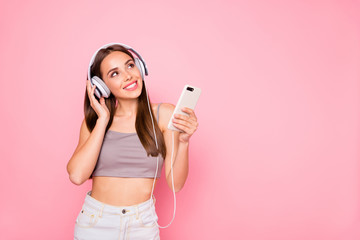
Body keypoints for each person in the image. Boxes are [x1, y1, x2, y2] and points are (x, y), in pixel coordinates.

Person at [66, 43, 199, 240]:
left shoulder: (164, 115)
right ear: (101, 86)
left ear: (140, 67)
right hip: (96, 222)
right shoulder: (94, 122)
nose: (128, 75)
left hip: (142, 224)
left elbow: (175, 185)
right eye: (114, 74)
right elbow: (77, 176)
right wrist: (103, 120)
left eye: (130, 65)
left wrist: (185, 142)